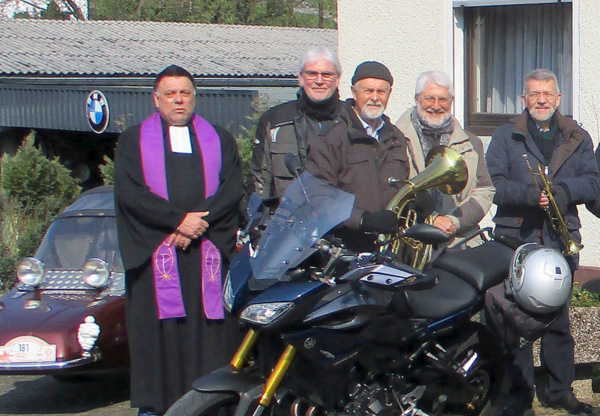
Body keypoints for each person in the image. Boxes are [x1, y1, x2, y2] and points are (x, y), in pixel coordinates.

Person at [114, 65, 243, 416]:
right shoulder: (133, 141)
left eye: (185, 92)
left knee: (211, 343)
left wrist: (199, 224)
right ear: (156, 100)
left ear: (194, 96)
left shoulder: (219, 138)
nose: (178, 100)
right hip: (158, 257)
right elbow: (131, 195)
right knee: (160, 348)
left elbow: (232, 189)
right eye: (170, 94)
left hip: (208, 255)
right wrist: (177, 223)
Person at [485, 68, 599, 416]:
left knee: (559, 323)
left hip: (560, 237)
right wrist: (530, 194)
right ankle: (518, 396)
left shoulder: (578, 137)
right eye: (534, 94)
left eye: (547, 94)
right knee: (515, 321)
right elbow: (495, 185)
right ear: (524, 99)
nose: (541, 100)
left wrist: (562, 192)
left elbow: (593, 183)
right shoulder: (506, 136)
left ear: (558, 98)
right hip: (517, 236)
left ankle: (559, 391)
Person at [305, 61, 409, 252]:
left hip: (390, 247)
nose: (375, 98)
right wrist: (361, 219)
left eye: (381, 92)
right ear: (354, 92)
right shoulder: (331, 137)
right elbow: (319, 197)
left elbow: (404, 184)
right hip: (346, 248)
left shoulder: (396, 137)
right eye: (368, 91)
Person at [395, 70, 494, 243]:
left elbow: (485, 190)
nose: (436, 105)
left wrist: (454, 221)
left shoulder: (471, 142)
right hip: (412, 239)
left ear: (452, 102)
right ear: (417, 99)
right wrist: (430, 219)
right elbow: (395, 187)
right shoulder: (396, 140)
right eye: (429, 99)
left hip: (460, 239)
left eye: (443, 99)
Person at [251, 45, 344, 199]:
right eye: (311, 74)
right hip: (288, 219)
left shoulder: (351, 122)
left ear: (337, 79)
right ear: (301, 78)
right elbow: (259, 181)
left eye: (327, 74)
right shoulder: (274, 121)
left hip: (340, 219)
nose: (319, 81)